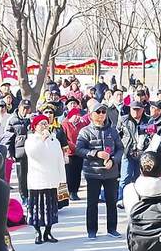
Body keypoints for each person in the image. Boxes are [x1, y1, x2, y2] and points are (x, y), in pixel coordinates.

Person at [76, 102, 124, 239]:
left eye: (104, 112)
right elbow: (79, 150)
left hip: (111, 172)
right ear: (91, 115)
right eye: (98, 112)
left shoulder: (112, 131)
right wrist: (95, 154)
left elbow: (120, 149)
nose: (102, 114)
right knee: (92, 203)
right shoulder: (85, 131)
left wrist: (113, 160)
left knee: (111, 202)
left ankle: (112, 228)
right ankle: (92, 230)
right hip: (93, 172)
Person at [25, 114, 66, 244]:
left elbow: (60, 160)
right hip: (37, 180)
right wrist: (42, 139)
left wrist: (62, 179)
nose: (44, 126)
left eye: (46, 123)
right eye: (41, 124)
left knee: (50, 209)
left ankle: (48, 232)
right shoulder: (31, 140)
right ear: (35, 127)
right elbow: (34, 154)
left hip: (52, 179)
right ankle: (37, 232)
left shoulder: (54, 140)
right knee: (37, 208)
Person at [117, 101, 145, 207]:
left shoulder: (148, 120)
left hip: (142, 153)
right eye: (134, 109)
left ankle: (139, 199)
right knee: (125, 177)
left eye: (138, 109)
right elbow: (117, 134)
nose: (136, 112)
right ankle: (121, 199)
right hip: (127, 151)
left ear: (142, 109)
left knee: (139, 177)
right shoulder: (124, 120)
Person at [6, 100, 32, 204]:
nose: (25, 110)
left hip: (32, 152)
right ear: (19, 107)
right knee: (22, 176)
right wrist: (10, 154)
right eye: (23, 108)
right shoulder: (12, 120)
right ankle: (24, 196)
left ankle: (31, 195)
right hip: (19, 152)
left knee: (32, 175)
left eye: (27, 108)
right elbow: (8, 138)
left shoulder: (31, 119)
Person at [62, 107, 88, 201]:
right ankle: (69, 191)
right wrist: (73, 146)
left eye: (78, 116)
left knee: (77, 173)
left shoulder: (82, 124)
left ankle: (75, 192)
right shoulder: (65, 124)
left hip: (79, 152)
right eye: (75, 116)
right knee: (69, 174)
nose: (77, 117)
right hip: (69, 153)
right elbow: (64, 139)